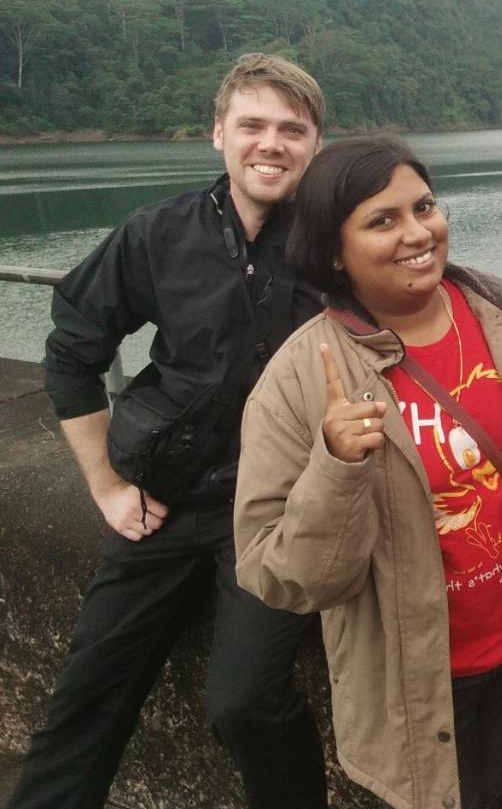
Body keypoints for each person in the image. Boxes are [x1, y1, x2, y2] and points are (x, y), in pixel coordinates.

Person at [12, 54, 329, 808]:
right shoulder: (160, 233)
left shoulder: (335, 243)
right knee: (84, 698)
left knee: (244, 703)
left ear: (317, 145)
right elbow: (73, 352)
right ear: (218, 133)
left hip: (274, 515)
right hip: (162, 497)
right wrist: (107, 486)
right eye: (251, 124)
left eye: (293, 129)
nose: (270, 143)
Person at [233, 135, 502, 809]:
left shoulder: (501, 320)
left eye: (424, 206)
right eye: (382, 220)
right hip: (414, 679)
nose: (418, 232)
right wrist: (335, 467)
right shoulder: (300, 378)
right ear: (334, 250)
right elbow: (278, 576)